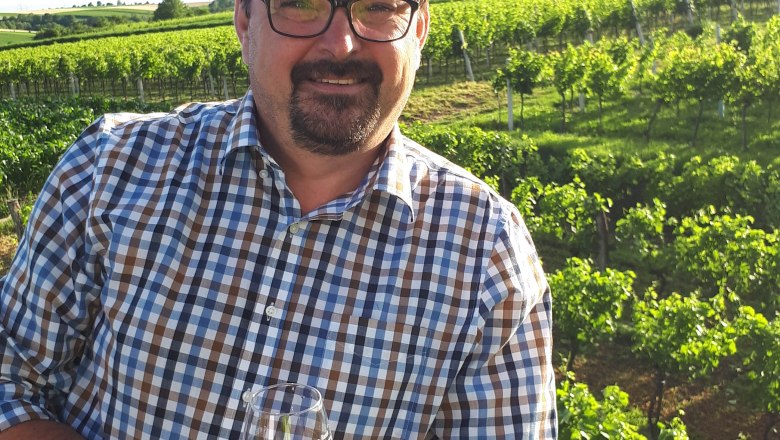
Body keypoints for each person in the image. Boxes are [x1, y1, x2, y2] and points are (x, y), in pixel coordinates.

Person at [0, 0, 557, 437]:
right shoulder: (111, 167)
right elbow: (10, 383)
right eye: (300, 4)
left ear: (420, 28)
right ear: (244, 22)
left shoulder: (488, 251)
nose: (341, 44)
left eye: (377, 6)